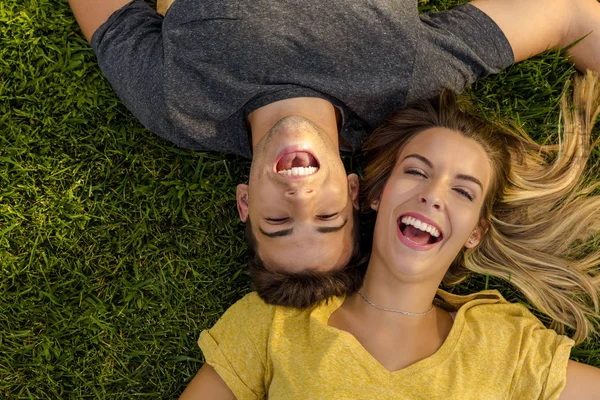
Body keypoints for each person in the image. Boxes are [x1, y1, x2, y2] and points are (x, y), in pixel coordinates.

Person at [66, 0, 600, 302]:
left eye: (278, 220)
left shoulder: (179, 108)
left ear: (245, 202)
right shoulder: (407, 81)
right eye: (326, 216)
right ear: (352, 190)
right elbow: (574, 15)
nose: (299, 195)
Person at [178, 72, 600, 399]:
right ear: (376, 195)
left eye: (462, 191)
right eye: (416, 171)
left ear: (475, 232)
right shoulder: (276, 325)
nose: (433, 195)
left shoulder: (507, 347)